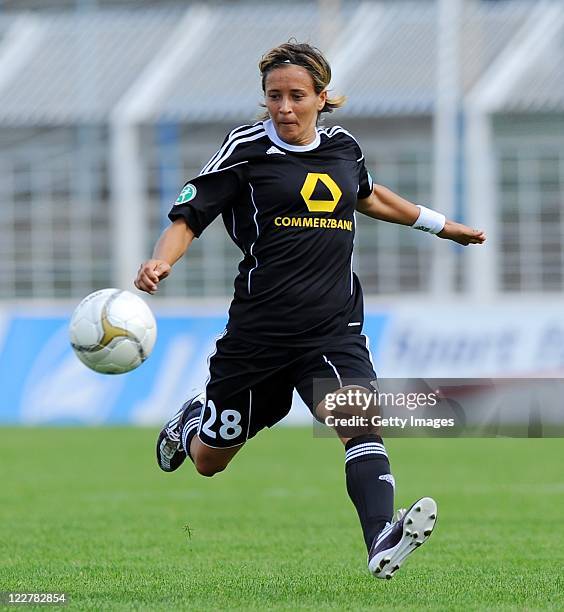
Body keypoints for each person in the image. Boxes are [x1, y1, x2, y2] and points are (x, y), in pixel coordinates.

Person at [135, 42, 485, 579]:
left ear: (322, 97)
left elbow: (368, 196)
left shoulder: (344, 147)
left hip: (332, 328)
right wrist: (160, 263)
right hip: (258, 337)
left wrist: (442, 226)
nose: (284, 108)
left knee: (360, 424)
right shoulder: (245, 150)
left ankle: (380, 542)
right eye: (274, 96)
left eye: (297, 96)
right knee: (210, 461)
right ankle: (192, 424)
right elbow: (189, 217)